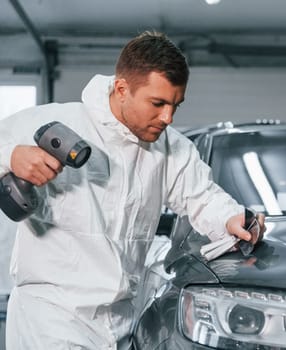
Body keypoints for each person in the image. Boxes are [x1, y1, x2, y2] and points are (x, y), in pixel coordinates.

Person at [0, 31, 265, 349]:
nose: (167, 117)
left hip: (122, 323)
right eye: (158, 103)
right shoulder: (57, 121)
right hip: (51, 319)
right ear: (122, 89)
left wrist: (233, 217)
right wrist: (11, 156)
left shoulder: (171, 149)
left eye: (175, 105)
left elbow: (202, 196)